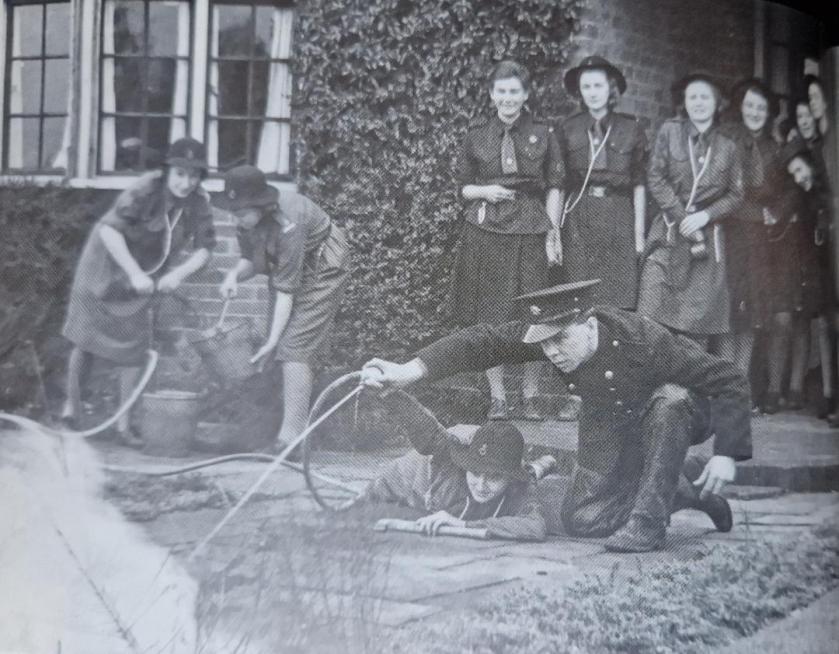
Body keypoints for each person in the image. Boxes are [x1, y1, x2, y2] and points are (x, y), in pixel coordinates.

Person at [362, 280, 746, 553]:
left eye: (560, 339)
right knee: (583, 520)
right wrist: (410, 370)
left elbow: (730, 378)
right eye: (543, 343)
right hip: (608, 420)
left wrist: (727, 453)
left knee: (670, 401)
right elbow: (486, 341)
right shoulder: (555, 340)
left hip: (675, 419)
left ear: (590, 325)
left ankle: (650, 523)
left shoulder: (644, 340)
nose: (553, 352)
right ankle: (683, 486)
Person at [60, 137, 216, 446]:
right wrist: (131, 272)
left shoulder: (198, 203)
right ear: (167, 171)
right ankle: (71, 413)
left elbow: (205, 249)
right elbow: (109, 230)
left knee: (134, 349)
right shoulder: (145, 189)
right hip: (105, 265)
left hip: (146, 274)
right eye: (180, 174)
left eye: (193, 175)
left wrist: (179, 274)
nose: (186, 183)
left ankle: (124, 425)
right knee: (85, 339)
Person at [450, 60, 564, 421]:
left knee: (535, 310)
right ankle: (498, 397)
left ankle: (530, 396)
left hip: (530, 225)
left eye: (515, 91)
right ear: (491, 94)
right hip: (487, 230)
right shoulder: (476, 135)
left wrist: (552, 231)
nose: (508, 98)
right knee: (489, 313)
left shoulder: (544, 134)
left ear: (526, 95)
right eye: (501, 91)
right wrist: (486, 190)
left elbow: (557, 186)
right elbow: (463, 188)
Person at [216, 165, 350, 452]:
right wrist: (232, 276)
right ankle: (267, 430)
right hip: (291, 271)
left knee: (293, 347)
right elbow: (251, 261)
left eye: (240, 212)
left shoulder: (290, 222)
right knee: (275, 348)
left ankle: (291, 442)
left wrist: (274, 341)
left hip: (323, 266)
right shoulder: (248, 221)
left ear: (260, 206)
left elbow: (286, 292)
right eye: (233, 211)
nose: (235, 218)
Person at [637, 73, 744, 347]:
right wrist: (682, 217)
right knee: (649, 316)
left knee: (696, 327)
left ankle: (686, 390)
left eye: (705, 97)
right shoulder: (670, 132)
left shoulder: (728, 148)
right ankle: (652, 388)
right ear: (684, 102)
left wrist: (705, 216)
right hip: (669, 234)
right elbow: (655, 178)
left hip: (704, 245)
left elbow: (736, 194)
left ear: (718, 103)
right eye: (692, 96)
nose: (698, 103)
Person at [349, 416, 547, 541]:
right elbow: (392, 477)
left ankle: (540, 465)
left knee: (530, 473)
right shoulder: (441, 477)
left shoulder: (520, 486)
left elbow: (535, 527)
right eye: (475, 473)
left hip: (514, 469)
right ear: (465, 468)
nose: (481, 485)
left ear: (511, 479)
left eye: (494, 478)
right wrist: (364, 498)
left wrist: (462, 524)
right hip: (411, 479)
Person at [556, 56, 647, 309]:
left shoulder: (631, 129)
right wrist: (555, 232)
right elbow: (559, 184)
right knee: (579, 296)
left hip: (618, 216)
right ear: (579, 91)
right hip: (578, 216)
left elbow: (639, 184)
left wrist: (638, 236)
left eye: (598, 86)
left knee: (617, 298)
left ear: (611, 88)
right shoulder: (568, 128)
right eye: (586, 87)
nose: (592, 93)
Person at [766, 142, 835, 418]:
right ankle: (773, 389)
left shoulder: (820, 194)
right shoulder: (789, 193)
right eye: (792, 172)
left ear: (809, 164)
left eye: (800, 170)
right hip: (784, 265)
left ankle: (795, 389)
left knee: (803, 323)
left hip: (810, 267)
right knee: (782, 321)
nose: (798, 176)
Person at [717, 79, 781, 376]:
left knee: (752, 308)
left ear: (768, 112)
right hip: (730, 231)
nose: (755, 112)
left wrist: (775, 209)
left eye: (761, 107)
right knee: (728, 304)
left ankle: (741, 380)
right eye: (750, 105)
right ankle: (726, 379)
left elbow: (782, 190)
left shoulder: (774, 149)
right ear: (741, 107)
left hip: (758, 238)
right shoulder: (728, 138)